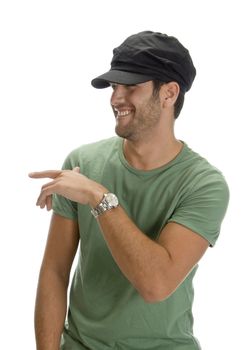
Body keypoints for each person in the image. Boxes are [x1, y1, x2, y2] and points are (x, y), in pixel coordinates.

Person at [29, 31, 229, 350]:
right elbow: (54, 272)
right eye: (114, 87)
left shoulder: (204, 184)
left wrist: (99, 198)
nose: (115, 98)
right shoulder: (83, 163)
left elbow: (156, 284)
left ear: (169, 93)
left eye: (131, 86)